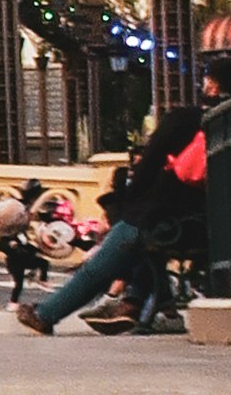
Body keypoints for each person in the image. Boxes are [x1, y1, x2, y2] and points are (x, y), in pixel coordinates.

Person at [18, 106, 209, 337]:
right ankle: (145, 305)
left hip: (165, 219)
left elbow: (150, 161)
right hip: (198, 221)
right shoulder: (225, 124)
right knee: (141, 251)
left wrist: (128, 202)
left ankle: (46, 314)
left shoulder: (185, 120)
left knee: (101, 265)